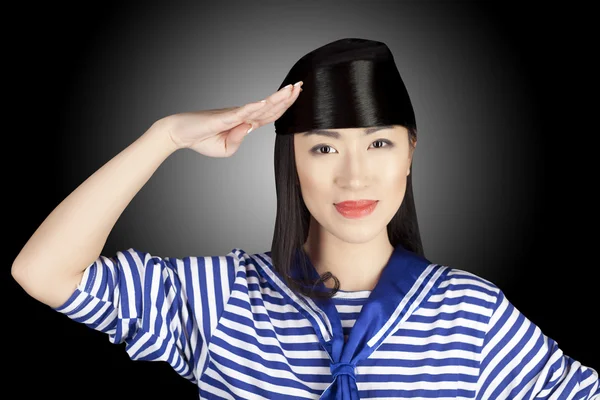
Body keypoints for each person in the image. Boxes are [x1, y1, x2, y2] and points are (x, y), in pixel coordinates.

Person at [11, 38, 599, 400]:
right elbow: (44, 273)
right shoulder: (223, 300)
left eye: (378, 145)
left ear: (412, 150)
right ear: (290, 160)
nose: (354, 177)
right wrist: (164, 135)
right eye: (323, 148)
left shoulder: (473, 315)